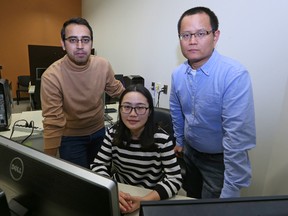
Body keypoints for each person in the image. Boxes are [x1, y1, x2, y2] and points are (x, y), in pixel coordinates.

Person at [170, 7, 256, 199]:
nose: (192, 41)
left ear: (215, 36)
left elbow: (237, 139)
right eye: (186, 35)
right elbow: (176, 110)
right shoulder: (177, 74)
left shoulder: (233, 75)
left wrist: (231, 189)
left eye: (201, 33)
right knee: (191, 197)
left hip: (219, 161)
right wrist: (179, 140)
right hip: (190, 153)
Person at [41, 17, 125, 168]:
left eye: (85, 40)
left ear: (91, 43)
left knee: (101, 177)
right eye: (73, 40)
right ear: (63, 44)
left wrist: (140, 101)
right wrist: (48, 163)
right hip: (70, 138)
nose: (80, 46)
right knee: (79, 184)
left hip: (99, 131)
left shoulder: (102, 65)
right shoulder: (51, 76)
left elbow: (117, 90)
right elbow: (53, 122)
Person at [91, 84, 183, 214]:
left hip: (150, 194)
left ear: (149, 111)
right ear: (120, 109)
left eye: (140, 108)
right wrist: (114, 191)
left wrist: (144, 201)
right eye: (127, 107)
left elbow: (175, 179)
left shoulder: (162, 139)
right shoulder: (112, 133)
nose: (133, 114)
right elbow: (98, 165)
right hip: (121, 192)